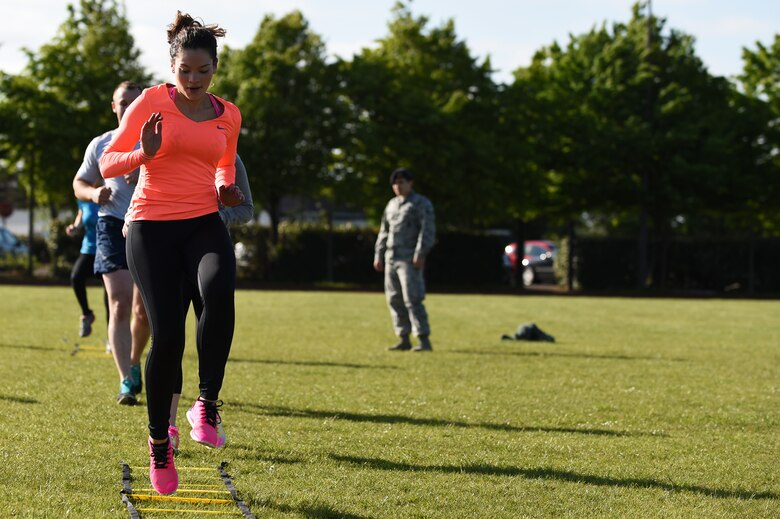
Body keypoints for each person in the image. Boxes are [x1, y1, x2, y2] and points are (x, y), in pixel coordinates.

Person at [99, 11, 244, 495]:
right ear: (172, 64)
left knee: (219, 293)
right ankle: (159, 442)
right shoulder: (151, 102)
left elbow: (224, 163)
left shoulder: (228, 114)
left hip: (203, 222)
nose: (194, 80)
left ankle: (206, 404)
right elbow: (108, 161)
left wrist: (225, 189)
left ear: (216, 67)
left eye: (203, 71)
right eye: (185, 70)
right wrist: (144, 152)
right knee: (168, 335)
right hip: (150, 226)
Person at [167, 155, 253, 455]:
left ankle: (204, 405)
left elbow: (246, 209)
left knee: (215, 324)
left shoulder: (228, 157)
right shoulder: (166, 147)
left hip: (210, 253)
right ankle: (168, 427)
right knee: (168, 339)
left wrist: (218, 216)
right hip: (170, 252)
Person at [73, 81, 150, 405]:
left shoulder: (155, 138)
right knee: (119, 300)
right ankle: (124, 382)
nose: (128, 107)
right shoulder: (101, 144)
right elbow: (79, 183)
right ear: (113, 106)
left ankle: (134, 361)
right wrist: (94, 193)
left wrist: (145, 170)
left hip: (148, 224)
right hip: (110, 224)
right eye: (123, 102)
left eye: (135, 102)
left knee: (143, 310)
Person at [373, 168, 436, 352]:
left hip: (409, 259)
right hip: (391, 258)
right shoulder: (391, 205)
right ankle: (403, 337)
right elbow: (384, 231)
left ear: (411, 183)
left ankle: (423, 339)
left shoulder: (421, 203)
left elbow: (427, 230)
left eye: (402, 182)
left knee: (413, 298)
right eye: (395, 183)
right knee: (394, 299)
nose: (398, 186)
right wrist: (379, 254)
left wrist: (420, 253)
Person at [65, 198, 102, 337]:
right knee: (76, 277)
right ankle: (87, 314)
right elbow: (81, 215)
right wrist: (74, 226)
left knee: (110, 293)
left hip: (107, 250)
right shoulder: (84, 198)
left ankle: (113, 336)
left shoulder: (112, 191)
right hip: (88, 249)